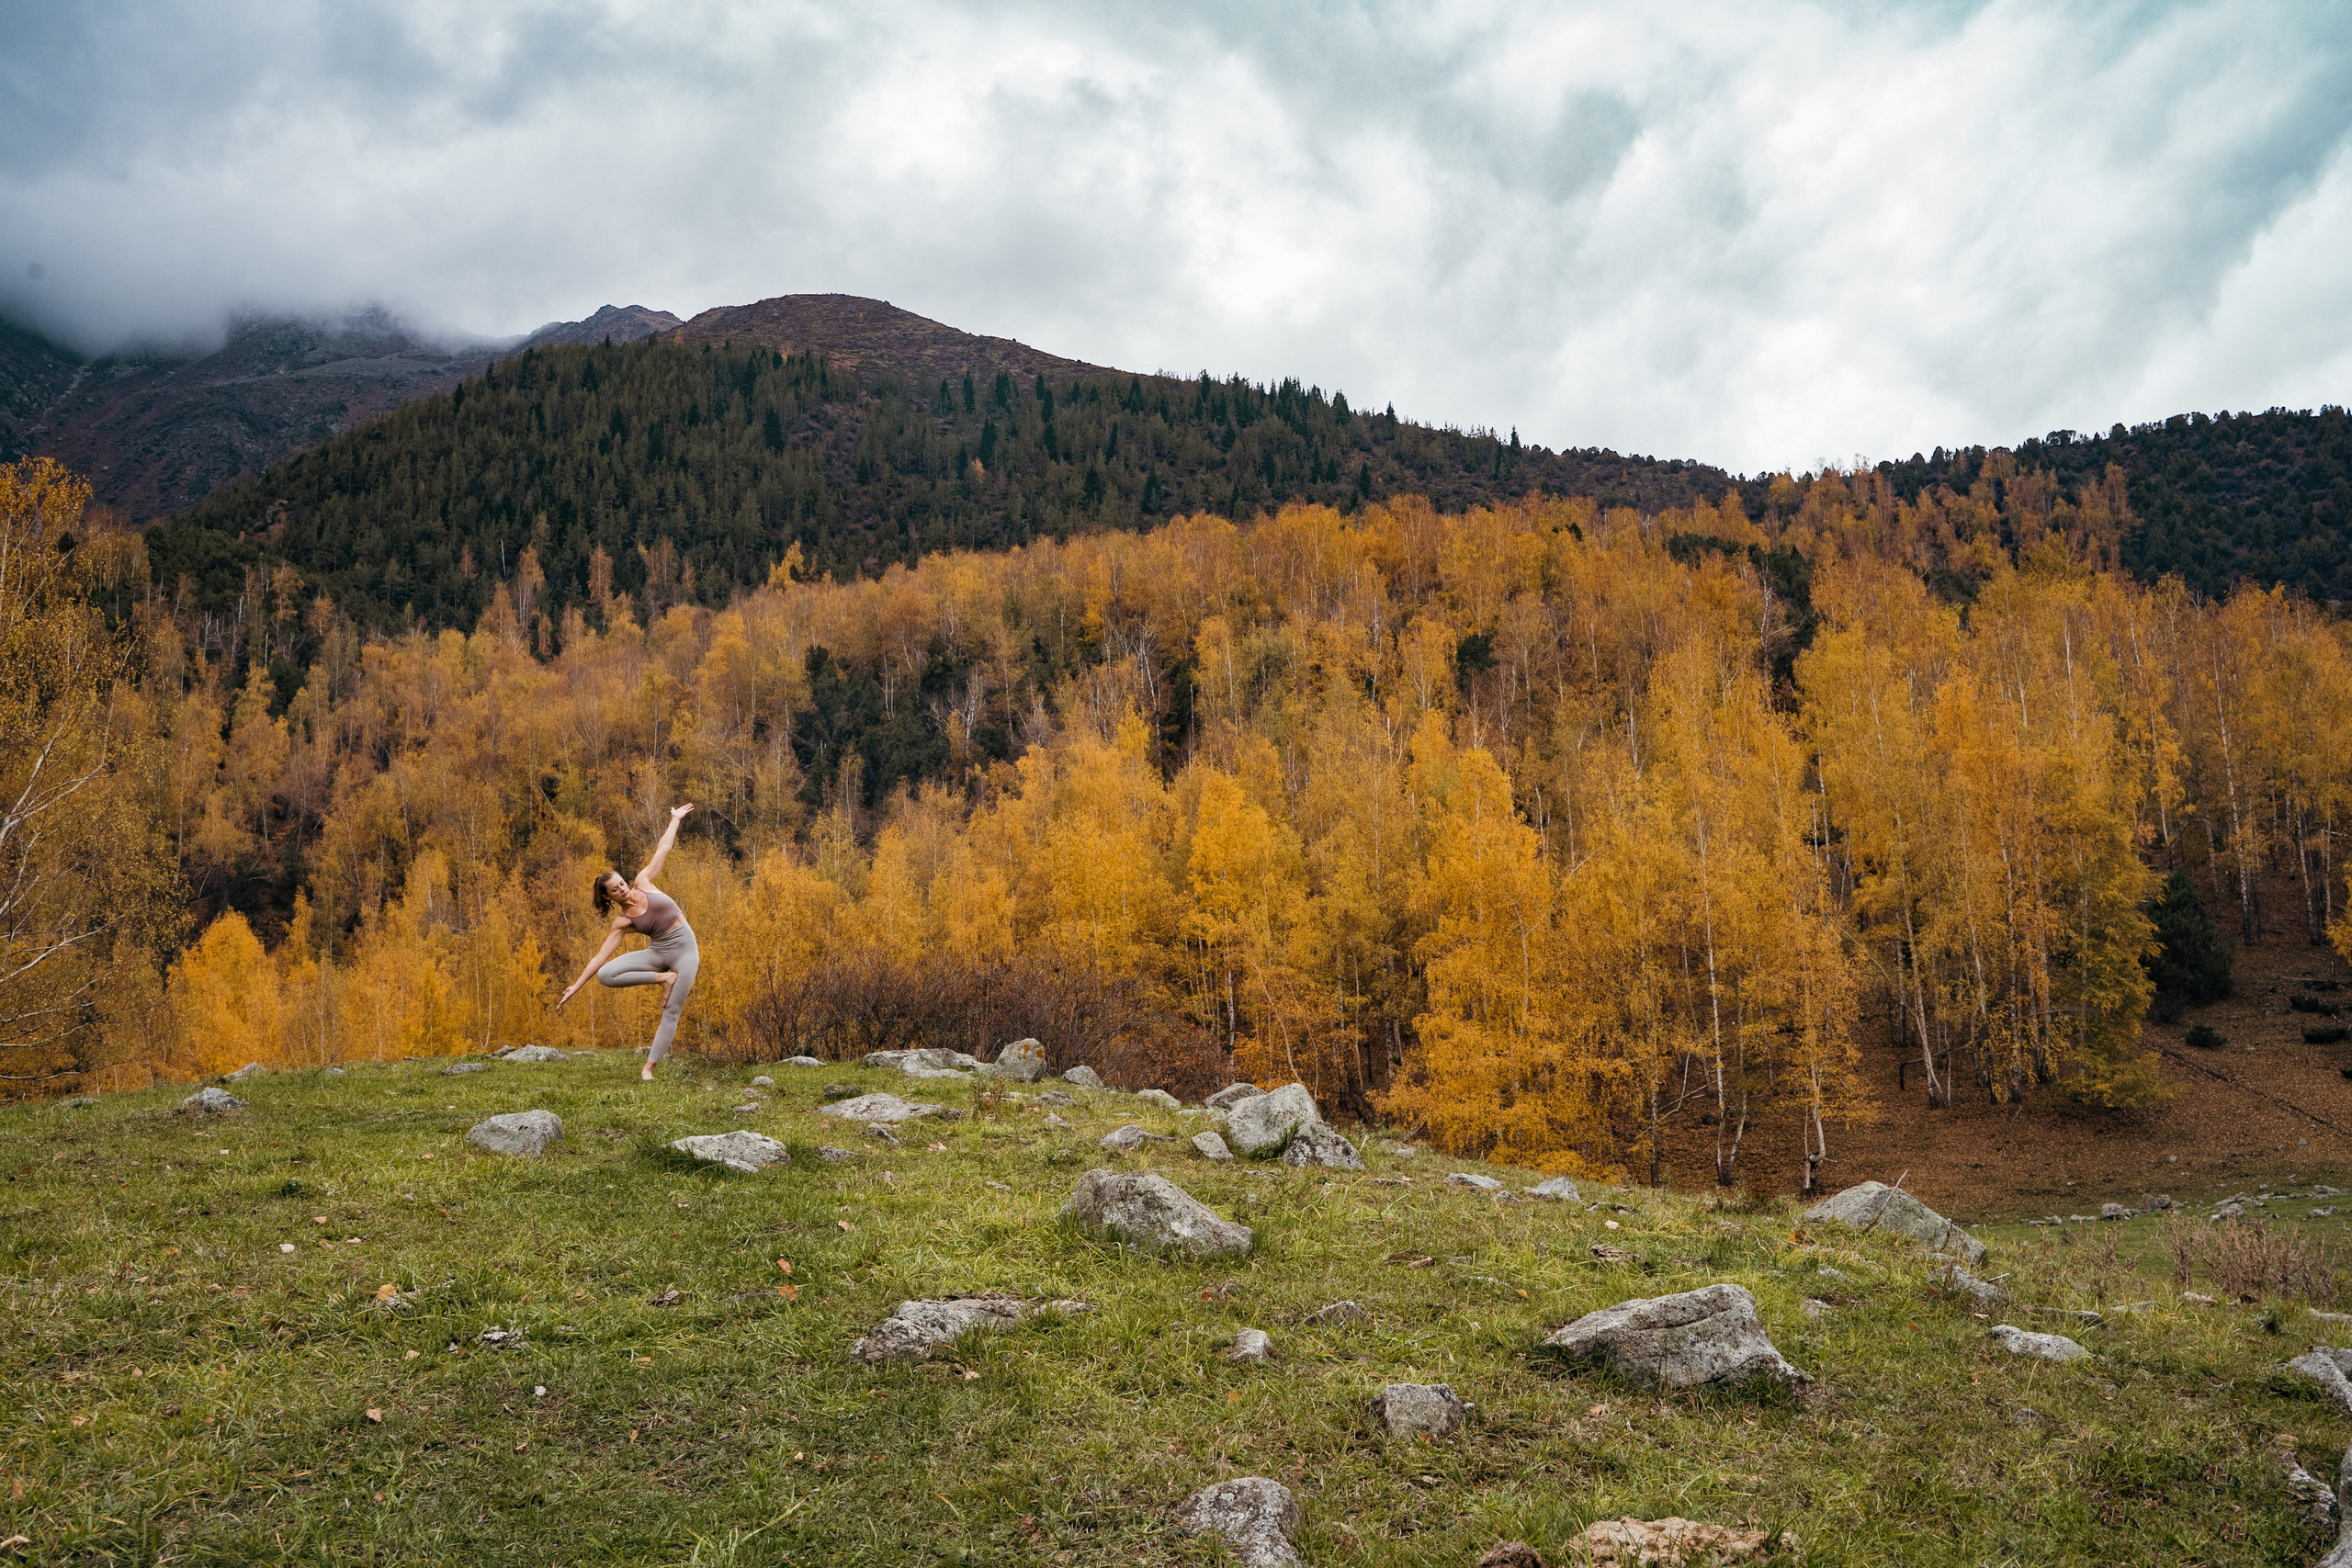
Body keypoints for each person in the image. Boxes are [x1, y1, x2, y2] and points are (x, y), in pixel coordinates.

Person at [558, 804, 699, 1080]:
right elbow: (600, 958)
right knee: (606, 974)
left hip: (685, 950)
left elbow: (663, 850)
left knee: (672, 1011)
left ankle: (649, 1068)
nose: (622, 888)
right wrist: (576, 985)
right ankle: (664, 979)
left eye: (622, 883)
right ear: (609, 897)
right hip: (658, 952)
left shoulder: (644, 882)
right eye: (615, 889)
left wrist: (675, 819)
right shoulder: (623, 922)